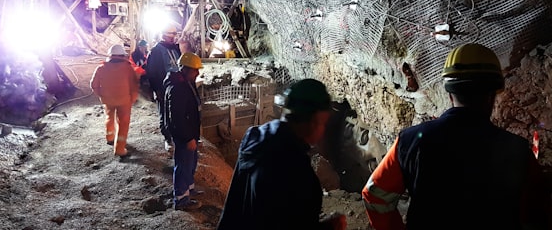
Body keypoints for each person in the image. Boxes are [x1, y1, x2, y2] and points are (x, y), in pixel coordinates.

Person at [362, 43, 550, 230]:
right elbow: (535, 215)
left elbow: (375, 195)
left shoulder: (409, 141)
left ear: (450, 93)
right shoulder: (518, 150)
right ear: (492, 95)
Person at [216, 78, 347, 230]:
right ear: (313, 121)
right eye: (323, 123)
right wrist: (330, 226)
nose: (323, 130)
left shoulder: (255, 139)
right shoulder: (297, 173)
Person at [165, 52, 205, 210]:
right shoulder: (178, 88)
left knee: (190, 162)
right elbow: (178, 117)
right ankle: (181, 200)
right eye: (195, 70)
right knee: (183, 164)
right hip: (184, 135)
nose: (198, 73)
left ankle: (189, 190)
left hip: (190, 133)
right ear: (186, 69)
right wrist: (188, 138)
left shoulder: (187, 83)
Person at [89, 44, 141, 157]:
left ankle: (110, 137)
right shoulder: (128, 68)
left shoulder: (101, 68)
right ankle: (120, 149)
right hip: (124, 101)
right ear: (123, 55)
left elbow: (93, 85)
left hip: (108, 100)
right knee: (123, 123)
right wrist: (132, 99)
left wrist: (101, 95)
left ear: (110, 55)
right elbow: (134, 85)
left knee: (109, 118)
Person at [145, 24, 182, 150]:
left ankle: (177, 136)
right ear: (163, 35)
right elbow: (151, 72)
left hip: (177, 87)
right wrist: (156, 90)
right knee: (165, 114)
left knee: (177, 112)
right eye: (169, 35)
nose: (172, 38)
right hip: (163, 88)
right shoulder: (155, 52)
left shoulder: (175, 49)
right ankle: (168, 139)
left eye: (173, 35)